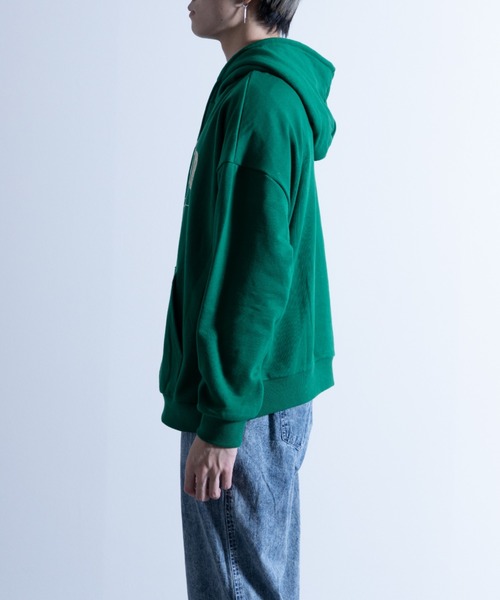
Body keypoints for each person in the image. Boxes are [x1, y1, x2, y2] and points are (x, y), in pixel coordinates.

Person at [159, 0, 336, 597]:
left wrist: (224, 420)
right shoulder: (251, 90)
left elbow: (258, 271)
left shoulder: (261, 99)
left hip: (244, 400)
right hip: (244, 392)